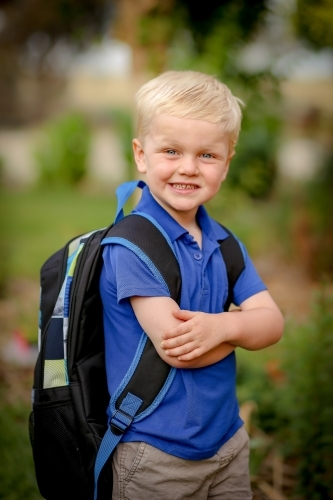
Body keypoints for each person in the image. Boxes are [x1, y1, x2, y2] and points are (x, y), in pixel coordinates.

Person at [99, 70, 284, 500]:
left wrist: (221, 328)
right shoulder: (132, 245)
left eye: (207, 155)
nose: (187, 167)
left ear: (227, 161)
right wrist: (244, 325)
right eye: (171, 150)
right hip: (156, 456)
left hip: (227, 445)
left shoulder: (224, 242)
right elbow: (179, 348)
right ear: (141, 155)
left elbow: (273, 324)